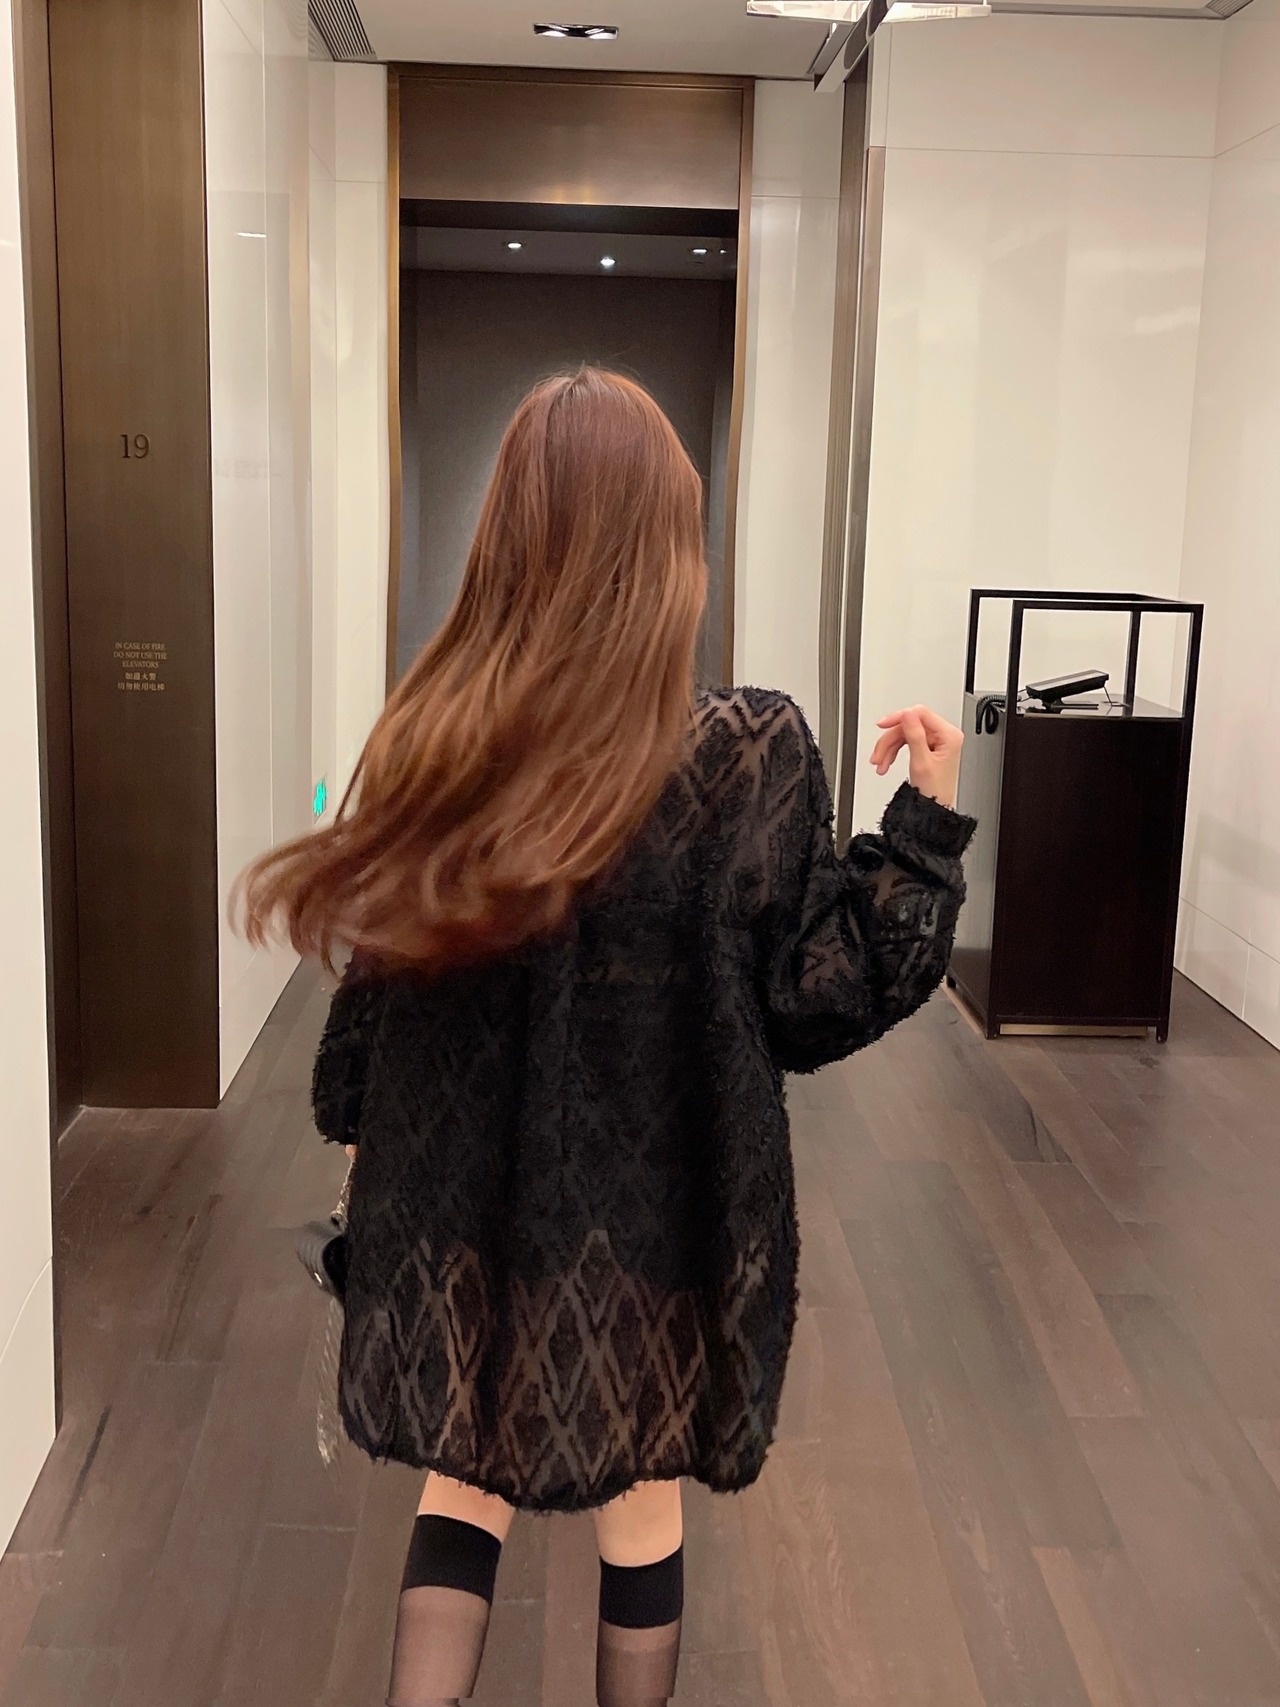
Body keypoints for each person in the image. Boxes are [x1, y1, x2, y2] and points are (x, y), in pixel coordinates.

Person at [240, 368, 974, 1707]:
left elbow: (371, 1016)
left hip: (460, 1208)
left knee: (461, 1495)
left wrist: (359, 1146)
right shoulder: (747, 751)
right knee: (641, 1512)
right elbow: (821, 998)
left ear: (508, 537)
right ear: (667, 551)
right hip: (652, 1228)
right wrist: (919, 829)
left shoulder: (433, 737)